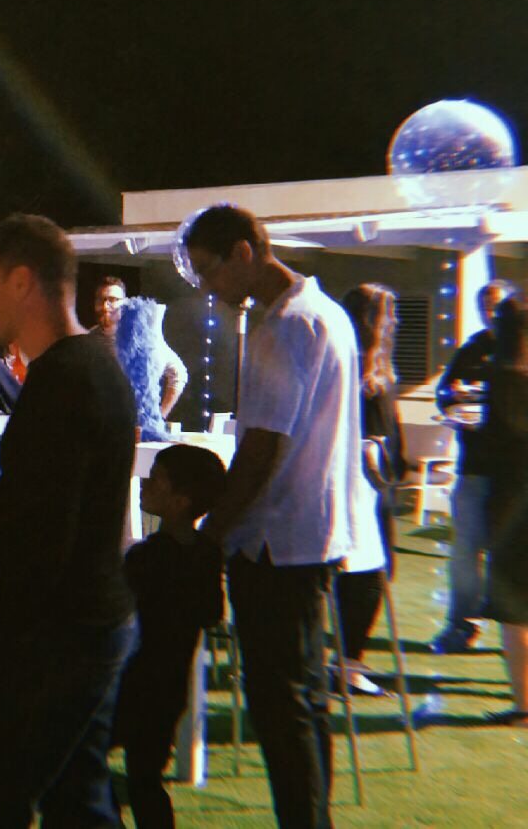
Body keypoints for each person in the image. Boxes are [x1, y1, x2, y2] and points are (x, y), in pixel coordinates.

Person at [0, 214, 138, 827]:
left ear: (22, 282)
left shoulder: (68, 378)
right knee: (80, 806)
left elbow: (49, 530)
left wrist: (13, 658)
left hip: (55, 638)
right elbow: (49, 497)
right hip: (86, 627)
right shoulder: (84, 368)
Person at [185, 204, 366, 828]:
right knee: (306, 701)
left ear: (243, 252)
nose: (207, 287)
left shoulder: (282, 328)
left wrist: (211, 533)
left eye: (209, 270)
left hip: (275, 543)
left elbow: (261, 449)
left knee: (282, 706)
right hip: (315, 536)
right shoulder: (328, 314)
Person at [112, 444, 225, 829]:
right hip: (172, 686)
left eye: (156, 479)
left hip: (134, 681)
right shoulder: (206, 554)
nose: (145, 484)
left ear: (180, 500)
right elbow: (212, 613)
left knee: (80, 755)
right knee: (146, 779)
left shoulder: (147, 558)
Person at [431, 279, 516, 653]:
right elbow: (446, 393)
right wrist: (455, 403)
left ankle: (515, 633)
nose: (490, 312)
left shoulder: (521, 349)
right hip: (475, 468)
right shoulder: (472, 350)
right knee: (466, 550)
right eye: (485, 305)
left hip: (516, 473)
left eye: (497, 305)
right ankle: (461, 625)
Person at [332, 284, 409, 696]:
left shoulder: (377, 366)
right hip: (360, 488)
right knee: (364, 577)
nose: (395, 321)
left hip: (378, 485)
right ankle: (348, 666)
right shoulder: (353, 366)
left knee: (372, 575)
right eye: (388, 313)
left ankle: (349, 662)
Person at [485, 291, 528, 726]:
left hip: (513, 504)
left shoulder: (503, 380)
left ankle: (525, 706)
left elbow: (495, 449)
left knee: (516, 613)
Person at [93, 276, 187, 417]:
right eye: (101, 300)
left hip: (137, 423)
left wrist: (160, 416)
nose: (105, 307)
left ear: (124, 303)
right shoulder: (89, 339)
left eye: (113, 300)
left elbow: (179, 374)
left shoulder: (143, 336)